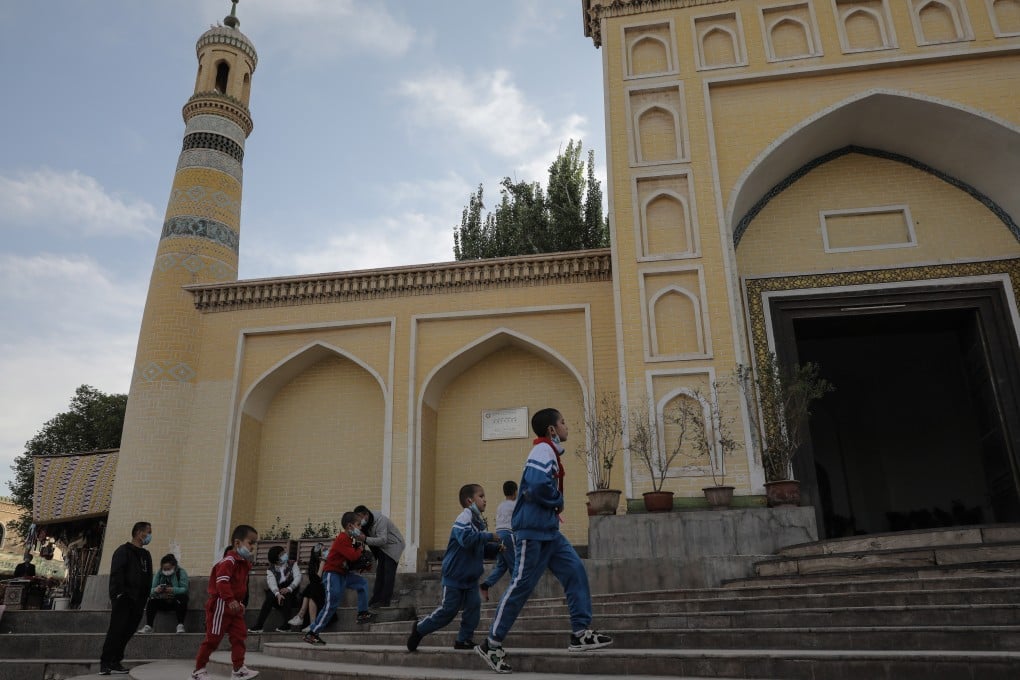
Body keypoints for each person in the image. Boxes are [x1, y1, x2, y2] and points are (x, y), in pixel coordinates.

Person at [476, 408, 613, 674]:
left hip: (549, 531)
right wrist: (558, 501)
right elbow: (536, 485)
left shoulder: (549, 451)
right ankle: (491, 643)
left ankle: (580, 633)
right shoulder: (542, 451)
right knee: (521, 585)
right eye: (563, 422)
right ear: (552, 430)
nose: (566, 426)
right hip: (532, 531)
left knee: (574, 570)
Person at [407, 483, 502, 652]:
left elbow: (480, 547)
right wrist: (489, 536)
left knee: (473, 609)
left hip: (471, 578)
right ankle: (420, 628)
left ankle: (463, 640)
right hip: (455, 576)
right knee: (447, 612)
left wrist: (497, 548)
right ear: (469, 501)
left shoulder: (478, 523)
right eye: (481, 496)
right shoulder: (464, 517)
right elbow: (465, 539)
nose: (485, 500)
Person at [191, 525, 260, 680]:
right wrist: (229, 600)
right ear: (237, 543)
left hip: (234, 607)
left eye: (255, 543)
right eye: (251, 542)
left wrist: (238, 602)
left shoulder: (243, 564)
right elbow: (222, 582)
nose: (253, 547)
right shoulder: (229, 561)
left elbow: (240, 587)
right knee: (213, 639)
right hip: (221, 606)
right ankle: (198, 670)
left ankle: (238, 669)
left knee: (239, 636)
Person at [303, 512, 374, 645]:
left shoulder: (349, 540)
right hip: (332, 574)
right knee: (331, 604)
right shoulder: (342, 538)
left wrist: (364, 562)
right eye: (358, 525)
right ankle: (312, 633)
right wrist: (359, 547)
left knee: (362, 583)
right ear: (349, 526)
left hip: (343, 574)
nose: (360, 527)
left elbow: (352, 560)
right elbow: (353, 556)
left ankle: (362, 613)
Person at [99, 521, 153, 676]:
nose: (149, 536)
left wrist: (145, 596)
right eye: (148, 532)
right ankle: (105, 662)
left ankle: (116, 660)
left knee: (129, 630)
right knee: (116, 629)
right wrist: (119, 594)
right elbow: (117, 574)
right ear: (139, 533)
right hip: (124, 598)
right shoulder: (123, 551)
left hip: (139, 600)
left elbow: (148, 576)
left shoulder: (145, 555)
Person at [353, 505, 405, 608]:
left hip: (393, 545)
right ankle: (375, 599)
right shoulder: (366, 525)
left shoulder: (381, 520)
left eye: (360, 517)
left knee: (388, 573)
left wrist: (365, 539)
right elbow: (366, 537)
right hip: (382, 548)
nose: (360, 520)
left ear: (366, 514)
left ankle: (385, 601)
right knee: (380, 573)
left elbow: (382, 539)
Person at [249, 545, 302, 633]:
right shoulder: (271, 570)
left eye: (284, 552)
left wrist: (289, 588)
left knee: (286, 593)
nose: (285, 554)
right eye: (282, 554)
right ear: (277, 559)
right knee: (270, 596)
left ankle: (287, 625)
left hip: (292, 593)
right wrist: (277, 594)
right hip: (278, 595)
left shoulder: (292, 564)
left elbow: (298, 577)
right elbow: (272, 583)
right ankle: (259, 625)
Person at [479, 480, 518, 600]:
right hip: (508, 535)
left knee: (502, 565)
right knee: (514, 564)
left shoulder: (501, 505)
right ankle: (516, 592)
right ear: (515, 491)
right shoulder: (515, 505)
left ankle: (486, 585)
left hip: (498, 536)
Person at [139, 554, 189, 634]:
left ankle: (180, 625)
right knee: (151, 601)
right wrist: (156, 590)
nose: (166, 571)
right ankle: (149, 626)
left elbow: (184, 589)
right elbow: (150, 590)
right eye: (164, 569)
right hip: (163, 600)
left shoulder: (181, 572)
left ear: (174, 566)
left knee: (182, 598)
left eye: (168, 569)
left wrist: (173, 590)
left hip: (176, 602)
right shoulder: (159, 573)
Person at [287, 542, 325, 632]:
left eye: (326, 550)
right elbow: (315, 580)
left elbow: (319, 580)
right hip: (316, 591)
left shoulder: (327, 563)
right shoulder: (313, 565)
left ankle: (301, 615)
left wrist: (323, 563)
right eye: (323, 550)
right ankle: (312, 624)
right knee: (312, 588)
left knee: (311, 587)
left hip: (326, 591)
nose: (326, 552)